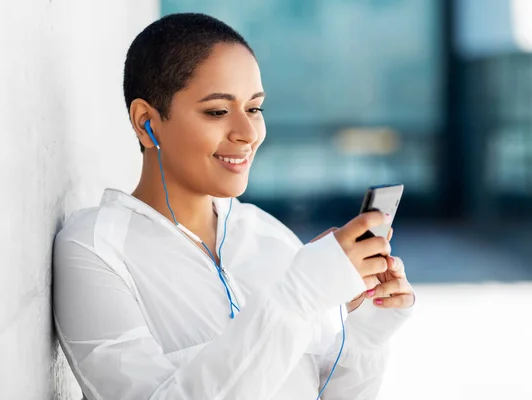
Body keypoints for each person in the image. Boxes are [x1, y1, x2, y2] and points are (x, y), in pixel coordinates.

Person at [52, 12, 415, 400]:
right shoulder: (96, 249)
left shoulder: (269, 235)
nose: (247, 134)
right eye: (218, 111)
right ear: (147, 123)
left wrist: (367, 336)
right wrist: (299, 293)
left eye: (255, 108)